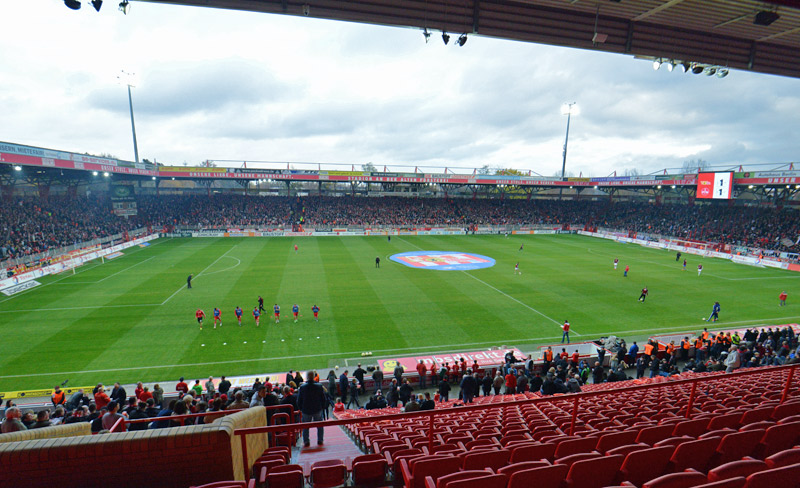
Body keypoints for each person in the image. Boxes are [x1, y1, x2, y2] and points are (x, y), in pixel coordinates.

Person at [297, 371, 326, 447]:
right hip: (317, 409)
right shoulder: (319, 386)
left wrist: (301, 408)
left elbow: (299, 400)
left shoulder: (302, 387)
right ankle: (320, 440)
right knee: (319, 426)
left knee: (306, 427)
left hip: (306, 410)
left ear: (307, 377)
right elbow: (323, 398)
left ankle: (306, 441)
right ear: (313, 377)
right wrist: (322, 407)